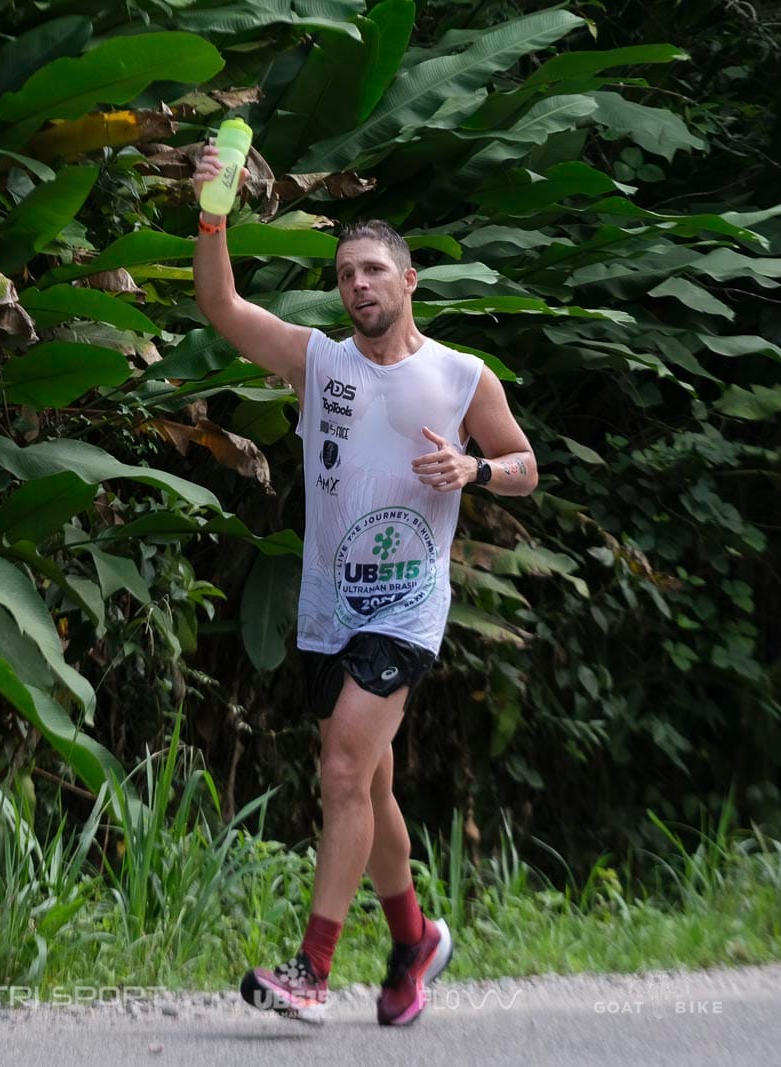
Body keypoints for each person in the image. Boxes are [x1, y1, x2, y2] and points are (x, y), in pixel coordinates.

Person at [191, 141, 538, 1027]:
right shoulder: (318, 363)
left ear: (409, 280)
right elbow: (221, 305)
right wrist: (212, 214)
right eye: (346, 273)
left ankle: (313, 967)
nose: (359, 284)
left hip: (408, 603)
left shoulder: (462, 375)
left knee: (342, 768)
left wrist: (473, 470)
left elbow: (525, 464)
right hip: (327, 603)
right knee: (372, 787)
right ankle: (415, 936)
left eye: (374, 269)